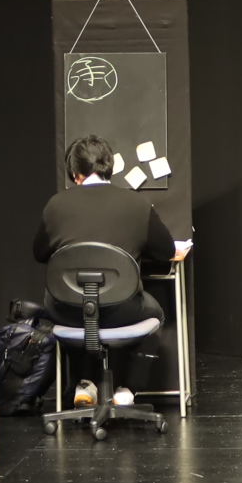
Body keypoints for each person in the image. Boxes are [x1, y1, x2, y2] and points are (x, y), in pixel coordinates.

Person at [34, 134, 175, 407]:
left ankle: (84, 384)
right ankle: (127, 389)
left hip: (68, 311)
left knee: (73, 305)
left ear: (75, 173)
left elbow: (39, 254)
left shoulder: (56, 205)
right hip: (122, 310)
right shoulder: (137, 204)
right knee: (156, 312)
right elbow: (166, 251)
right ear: (109, 167)